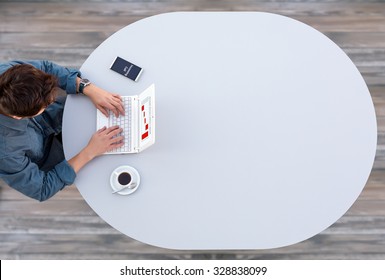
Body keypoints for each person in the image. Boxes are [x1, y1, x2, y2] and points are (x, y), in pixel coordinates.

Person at [0, 60, 125, 201]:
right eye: (46, 104)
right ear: (18, 117)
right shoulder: (6, 153)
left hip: (63, 115)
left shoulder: (10, 74)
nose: (53, 99)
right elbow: (42, 189)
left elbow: (45, 68)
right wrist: (89, 152)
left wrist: (87, 87)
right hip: (57, 156)